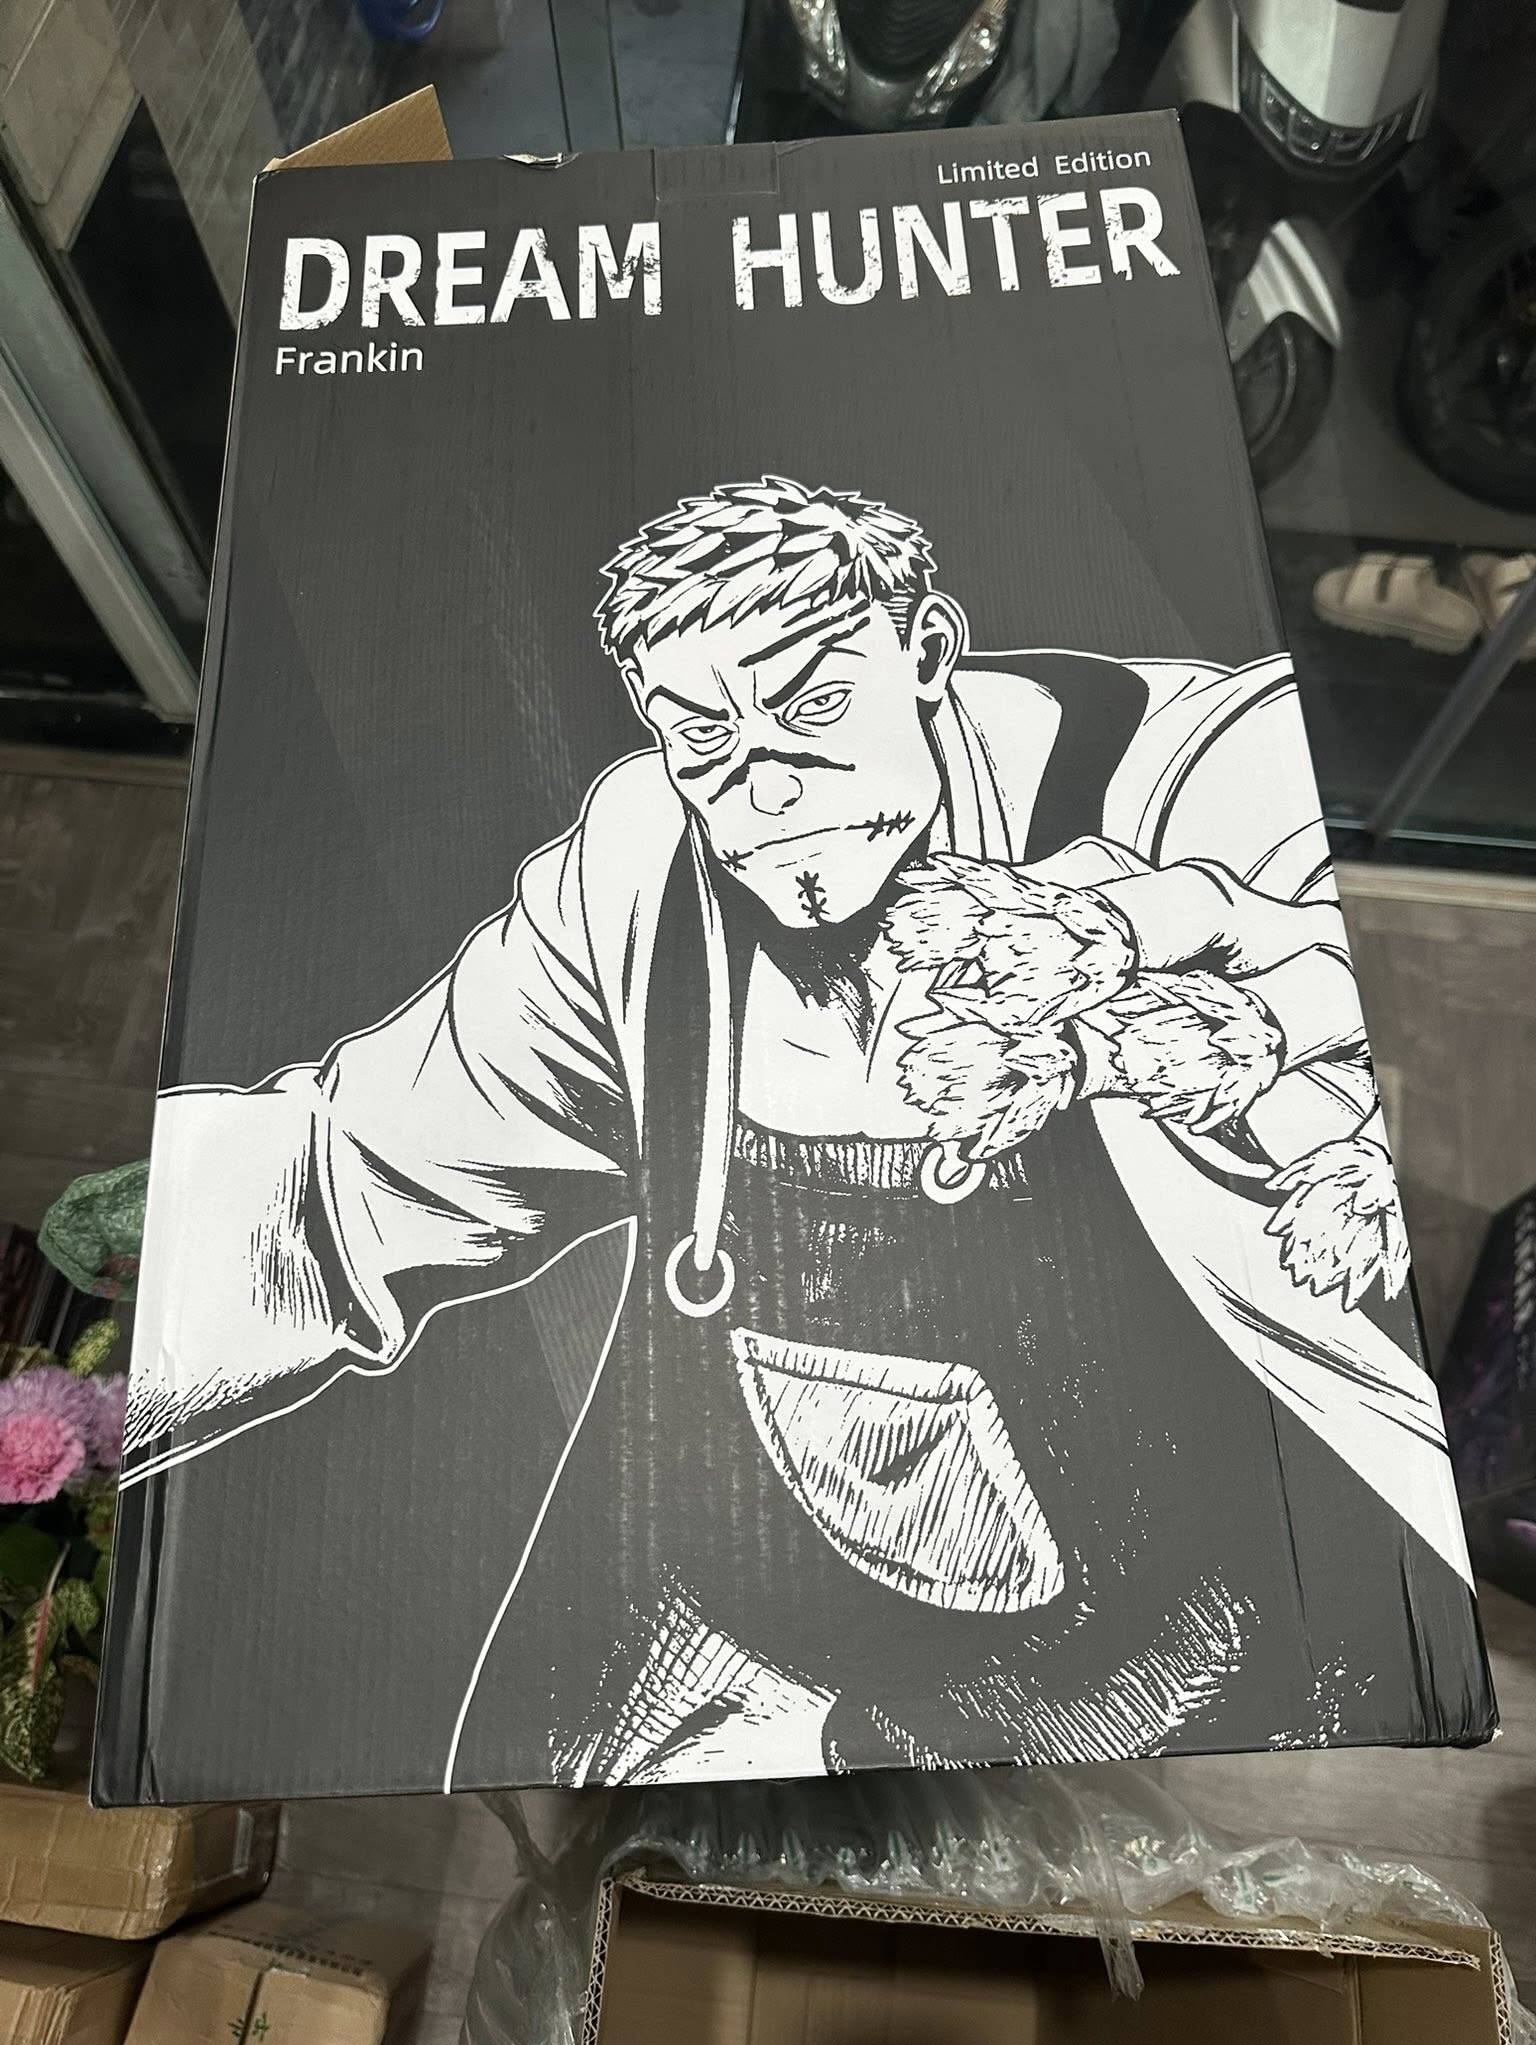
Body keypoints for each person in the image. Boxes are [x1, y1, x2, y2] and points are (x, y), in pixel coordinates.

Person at [128, 476, 1474, 1787]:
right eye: (702, 736)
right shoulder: (643, 869)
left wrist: (1164, 972)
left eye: (814, 705)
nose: (763, 789)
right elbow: (350, 1179)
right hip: (721, 1603)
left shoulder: (1184, 779)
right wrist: (107, 1363)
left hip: (1156, 1653)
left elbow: (1317, 1001)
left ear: (927, 650)